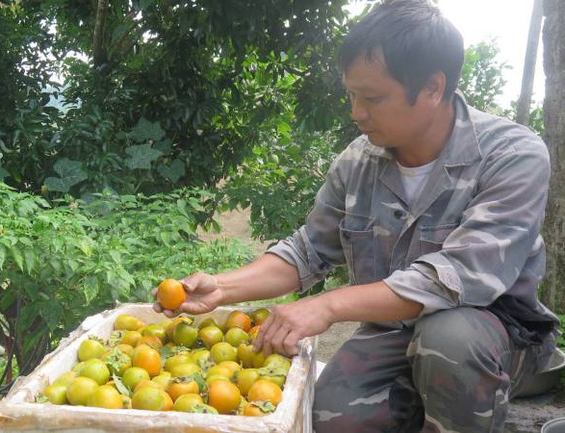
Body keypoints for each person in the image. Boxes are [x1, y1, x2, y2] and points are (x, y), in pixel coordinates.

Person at [153, 1, 561, 432]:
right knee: (333, 414)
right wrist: (222, 287)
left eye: (372, 98)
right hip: (397, 330)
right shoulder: (358, 163)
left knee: (449, 340)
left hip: (495, 333)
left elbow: (459, 276)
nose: (356, 113)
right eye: (352, 94)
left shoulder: (511, 155)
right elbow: (308, 250)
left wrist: (328, 306)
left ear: (432, 87)